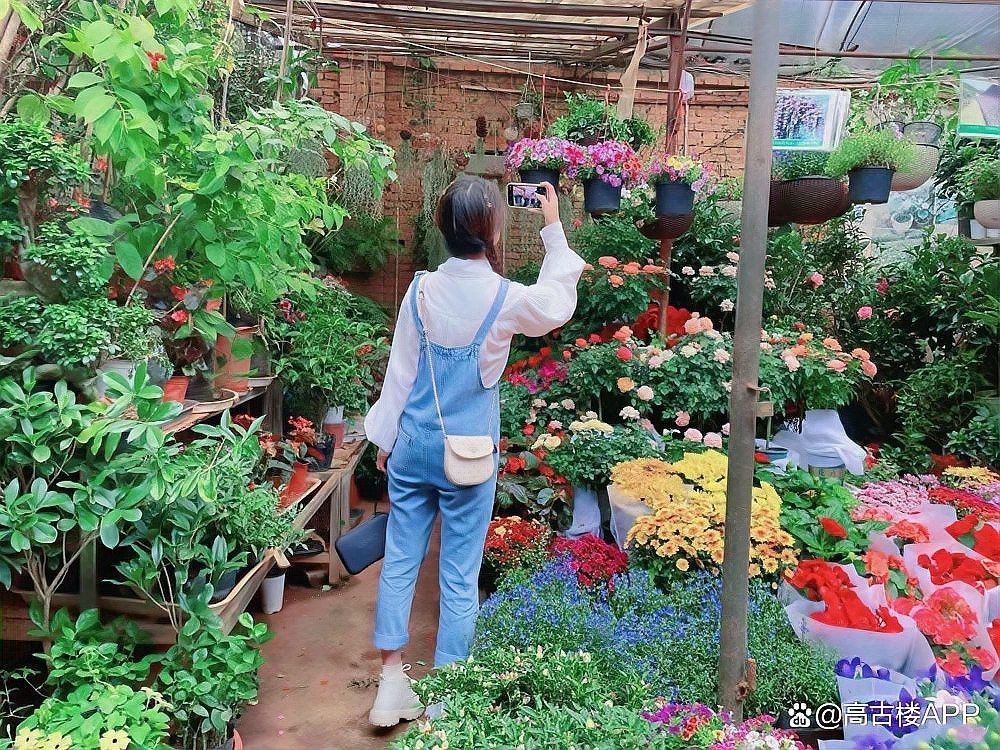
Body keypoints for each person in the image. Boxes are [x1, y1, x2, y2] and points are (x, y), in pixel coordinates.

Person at [363, 175, 584, 727]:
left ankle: (390, 684)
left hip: (413, 446)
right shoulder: (506, 299)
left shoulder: (418, 290)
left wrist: (385, 440)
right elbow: (557, 303)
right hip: (469, 456)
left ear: (441, 228)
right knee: (460, 575)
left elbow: (401, 373)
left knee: (400, 561)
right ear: (491, 232)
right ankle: (445, 699)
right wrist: (553, 229)